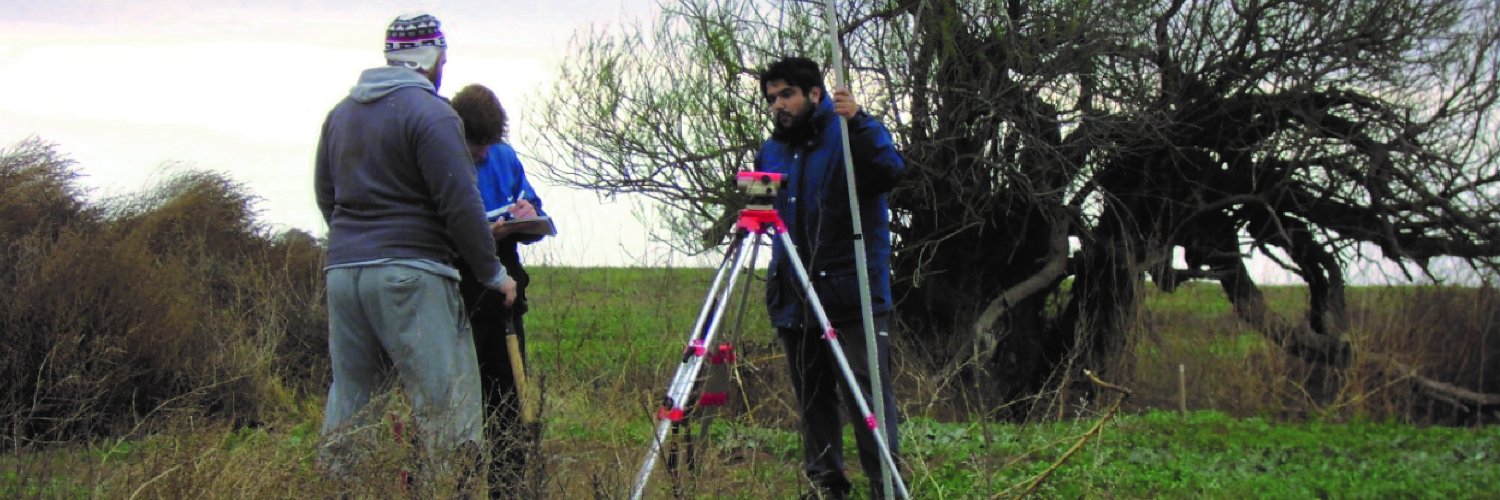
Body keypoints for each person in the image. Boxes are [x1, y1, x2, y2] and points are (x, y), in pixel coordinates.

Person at [313, 11, 516, 491]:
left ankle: (340, 489)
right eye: (442, 55)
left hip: (344, 274)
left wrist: (359, 245)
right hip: (411, 275)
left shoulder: (341, 114)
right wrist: (492, 273)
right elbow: (460, 203)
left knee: (353, 402)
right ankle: (451, 490)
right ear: (432, 58)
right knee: (446, 406)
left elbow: (327, 195)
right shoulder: (433, 113)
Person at [754, 56, 906, 499]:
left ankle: (886, 487)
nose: (777, 105)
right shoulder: (772, 149)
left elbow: (889, 171)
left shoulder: (849, 134)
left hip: (850, 294)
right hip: (795, 296)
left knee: (867, 396)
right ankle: (826, 487)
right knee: (813, 400)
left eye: (786, 95)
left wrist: (859, 121)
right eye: (771, 98)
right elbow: (762, 213)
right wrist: (752, 204)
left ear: (814, 94)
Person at [449, 83, 553, 495]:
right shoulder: (442, 158)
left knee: (507, 406)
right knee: (461, 406)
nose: (484, 154)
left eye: (490, 143)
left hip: (505, 297)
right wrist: (479, 234)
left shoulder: (505, 157)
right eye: (477, 144)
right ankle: (458, 488)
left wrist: (529, 215)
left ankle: (507, 490)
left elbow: (534, 211)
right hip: (458, 296)